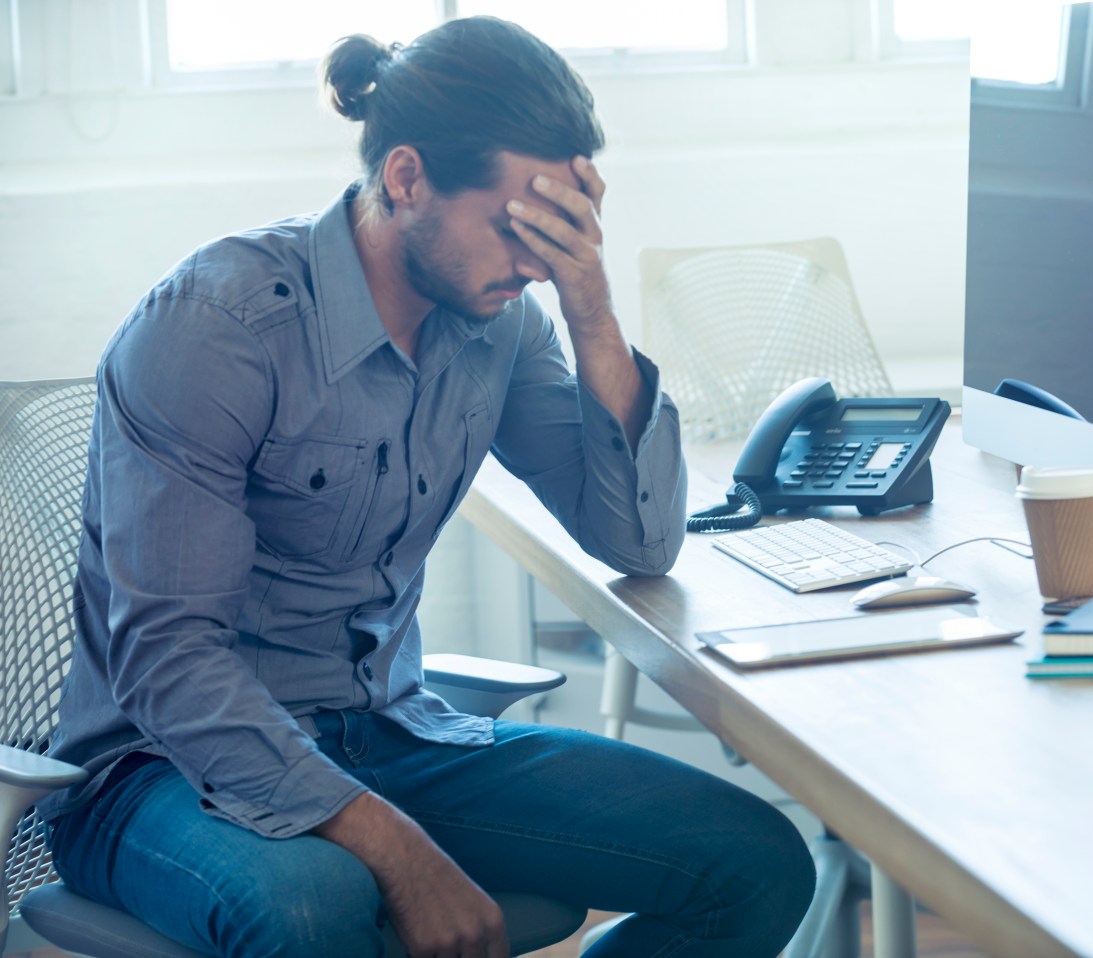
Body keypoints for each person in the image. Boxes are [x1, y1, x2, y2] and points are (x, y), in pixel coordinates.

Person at [40, 16, 814, 958]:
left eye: (561, 231)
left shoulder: (503, 323)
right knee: (315, 904)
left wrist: (591, 304)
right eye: (517, 226)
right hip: (160, 764)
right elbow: (169, 661)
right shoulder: (215, 329)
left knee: (754, 864)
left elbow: (638, 544)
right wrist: (399, 850)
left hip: (383, 733)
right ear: (406, 178)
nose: (537, 261)